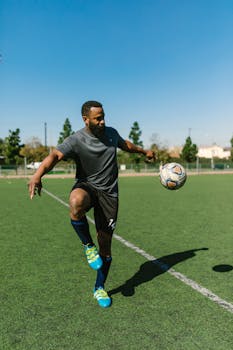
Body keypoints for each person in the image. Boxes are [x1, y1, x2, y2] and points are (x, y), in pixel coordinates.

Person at [28, 100, 155, 308]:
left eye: (104, 116)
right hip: (87, 187)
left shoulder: (111, 133)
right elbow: (55, 155)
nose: (103, 121)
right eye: (98, 118)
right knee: (76, 201)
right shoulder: (76, 139)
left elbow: (127, 145)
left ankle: (99, 287)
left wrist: (144, 152)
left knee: (105, 251)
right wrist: (37, 175)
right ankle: (87, 245)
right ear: (85, 119)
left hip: (109, 195)